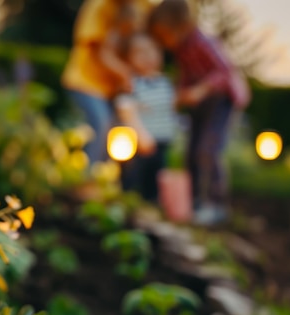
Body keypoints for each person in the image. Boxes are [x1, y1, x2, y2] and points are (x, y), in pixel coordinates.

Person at [147, 0, 250, 225]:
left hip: (222, 101)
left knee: (207, 150)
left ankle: (217, 204)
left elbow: (225, 73)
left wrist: (199, 90)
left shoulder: (204, 42)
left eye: (164, 35)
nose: (163, 42)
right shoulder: (182, 50)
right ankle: (193, 201)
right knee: (191, 152)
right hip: (201, 105)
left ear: (181, 26)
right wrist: (180, 94)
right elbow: (186, 75)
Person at [62, 0, 150, 166]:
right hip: (86, 82)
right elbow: (101, 52)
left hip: (112, 89)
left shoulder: (140, 6)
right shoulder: (99, 6)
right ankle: (89, 178)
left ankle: (110, 180)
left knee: (120, 134)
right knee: (101, 125)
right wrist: (126, 74)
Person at [116, 33, 177, 203]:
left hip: (163, 142)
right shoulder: (132, 83)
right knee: (134, 180)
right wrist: (141, 134)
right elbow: (124, 106)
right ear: (129, 58)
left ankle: (152, 205)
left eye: (151, 50)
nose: (147, 56)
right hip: (141, 145)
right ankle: (128, 204)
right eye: (140, 52)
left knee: (155, 182)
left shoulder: (166, 82)